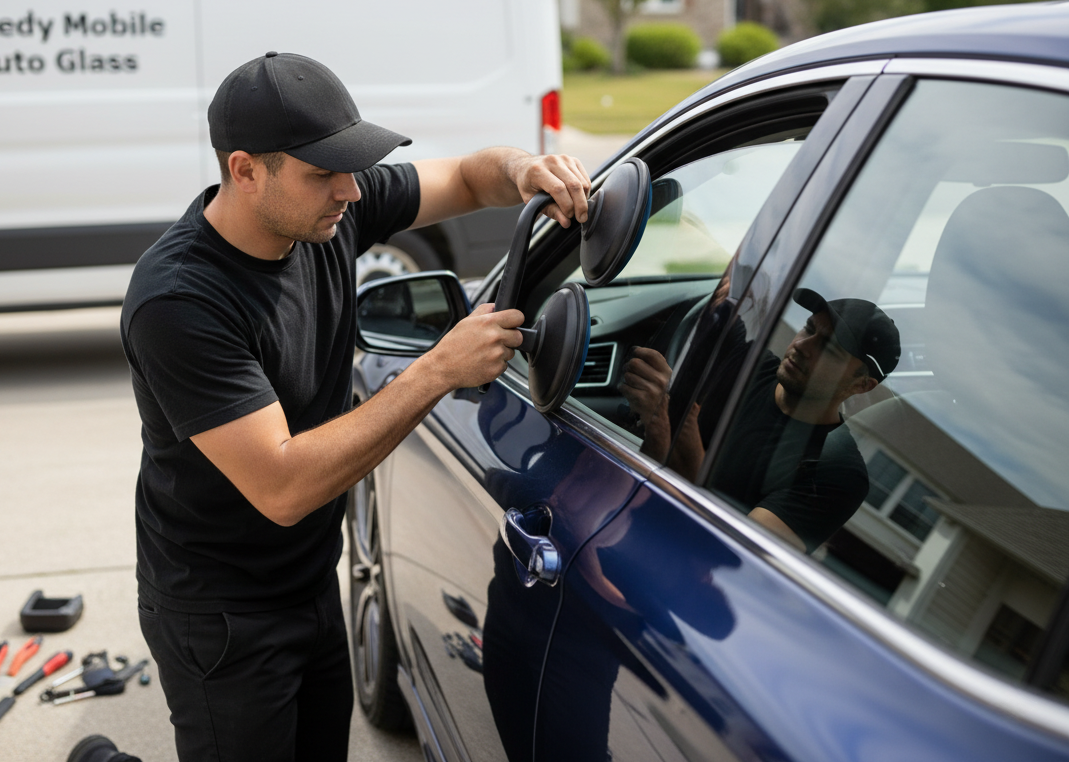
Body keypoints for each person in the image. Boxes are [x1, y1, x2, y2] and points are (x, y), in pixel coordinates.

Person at [120, 51, 593, 762]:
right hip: (221, 613)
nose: (349, 190)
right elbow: (282, 486)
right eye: (323, 172)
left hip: (310, 580)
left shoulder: (325, 209)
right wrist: (436, 370)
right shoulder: (181, 301)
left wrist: (526, 169)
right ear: (245, 170)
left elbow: (468, 176)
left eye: (352, 164)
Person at [619, 287, 900, 553]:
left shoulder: (836, 474)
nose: (802, 345)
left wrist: (665, 419)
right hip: (620, 507)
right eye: (809, 328)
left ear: (861, 385)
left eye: (828, 348)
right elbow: (732, 287)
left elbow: (729, 548)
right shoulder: (745, 361)